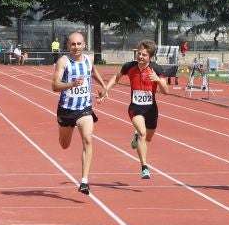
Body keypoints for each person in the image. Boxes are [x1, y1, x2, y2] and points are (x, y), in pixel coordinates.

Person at [51, 31, 108, 195]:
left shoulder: (89, 59)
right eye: (73, 44)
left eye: (79, 44)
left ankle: (84, 181)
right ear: (68, 46)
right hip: (66, 110)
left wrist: (103, 86)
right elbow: (54, 86)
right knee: (64, 145)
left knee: (87, 139)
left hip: (84, 109)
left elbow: (93, 72)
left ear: (84, 45)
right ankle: (64, 131)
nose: (76, 47)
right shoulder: (63, 61)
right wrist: (71, 84)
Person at [105, 39, 169, 179]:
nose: (140, 57)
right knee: (142, 133)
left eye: (144, 55)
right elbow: (116, 78)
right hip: (135, 107)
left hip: (151, 108)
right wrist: (106, 89)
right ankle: (144, 167)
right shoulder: (129, 66)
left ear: (150, 57)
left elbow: (166, 91)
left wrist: (158, 80)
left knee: (149, 138)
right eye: (139, 54)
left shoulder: (156, 69)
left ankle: (137, 136)